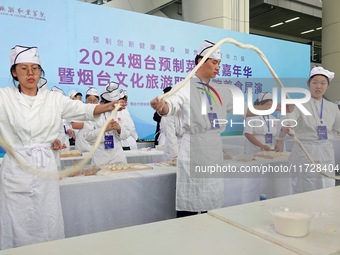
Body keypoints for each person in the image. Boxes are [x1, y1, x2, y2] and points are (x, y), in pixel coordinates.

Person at [0, 45, 125, 249]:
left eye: (35, 68)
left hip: (45, 169)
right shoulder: (4, 97)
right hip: (16, 169)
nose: (30, 73)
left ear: (41, 71)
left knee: (46, 219)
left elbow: (82, 109)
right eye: (23, 68)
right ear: (14, 72)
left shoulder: (53, 99)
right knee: (16, 221)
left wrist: (110, 105)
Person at [278, 66, 340, 194]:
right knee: (305, 186)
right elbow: (287, 123)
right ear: (308, 84)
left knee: (327, 186)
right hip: (305, 152)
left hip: (325, 151)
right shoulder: (299, 104)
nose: (319, 86)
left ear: (327, 87)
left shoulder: (333, 107)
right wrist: (287, 123)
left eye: (323, 83)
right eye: (315, 82)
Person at [83, 82, 129, 166]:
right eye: (110, 103)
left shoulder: (123, 112)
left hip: (118, 156)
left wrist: (119, 129)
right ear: (103, 101)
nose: (114, 106)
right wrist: (104, 129)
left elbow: (126, 134)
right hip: (100, 157)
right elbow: (87, 136)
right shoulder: (93, 111)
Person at [74, 87, 100, 152]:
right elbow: (74, 125)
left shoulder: (102, 111)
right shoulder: (81, 109)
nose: (91, 102)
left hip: (97, 144)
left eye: (94, 100)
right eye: (89, 100)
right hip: (83, 143)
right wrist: (86, 125)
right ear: (86, 100)